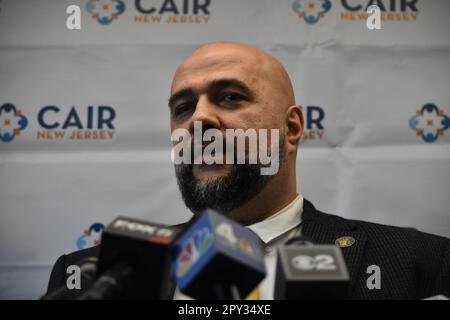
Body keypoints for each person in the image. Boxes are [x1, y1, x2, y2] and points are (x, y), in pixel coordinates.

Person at [45, 42, 450, 300]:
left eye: (230, 97)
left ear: (291, 128)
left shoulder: (421, 264)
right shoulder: (87, 278)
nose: (199, 120)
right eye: (183, 108)